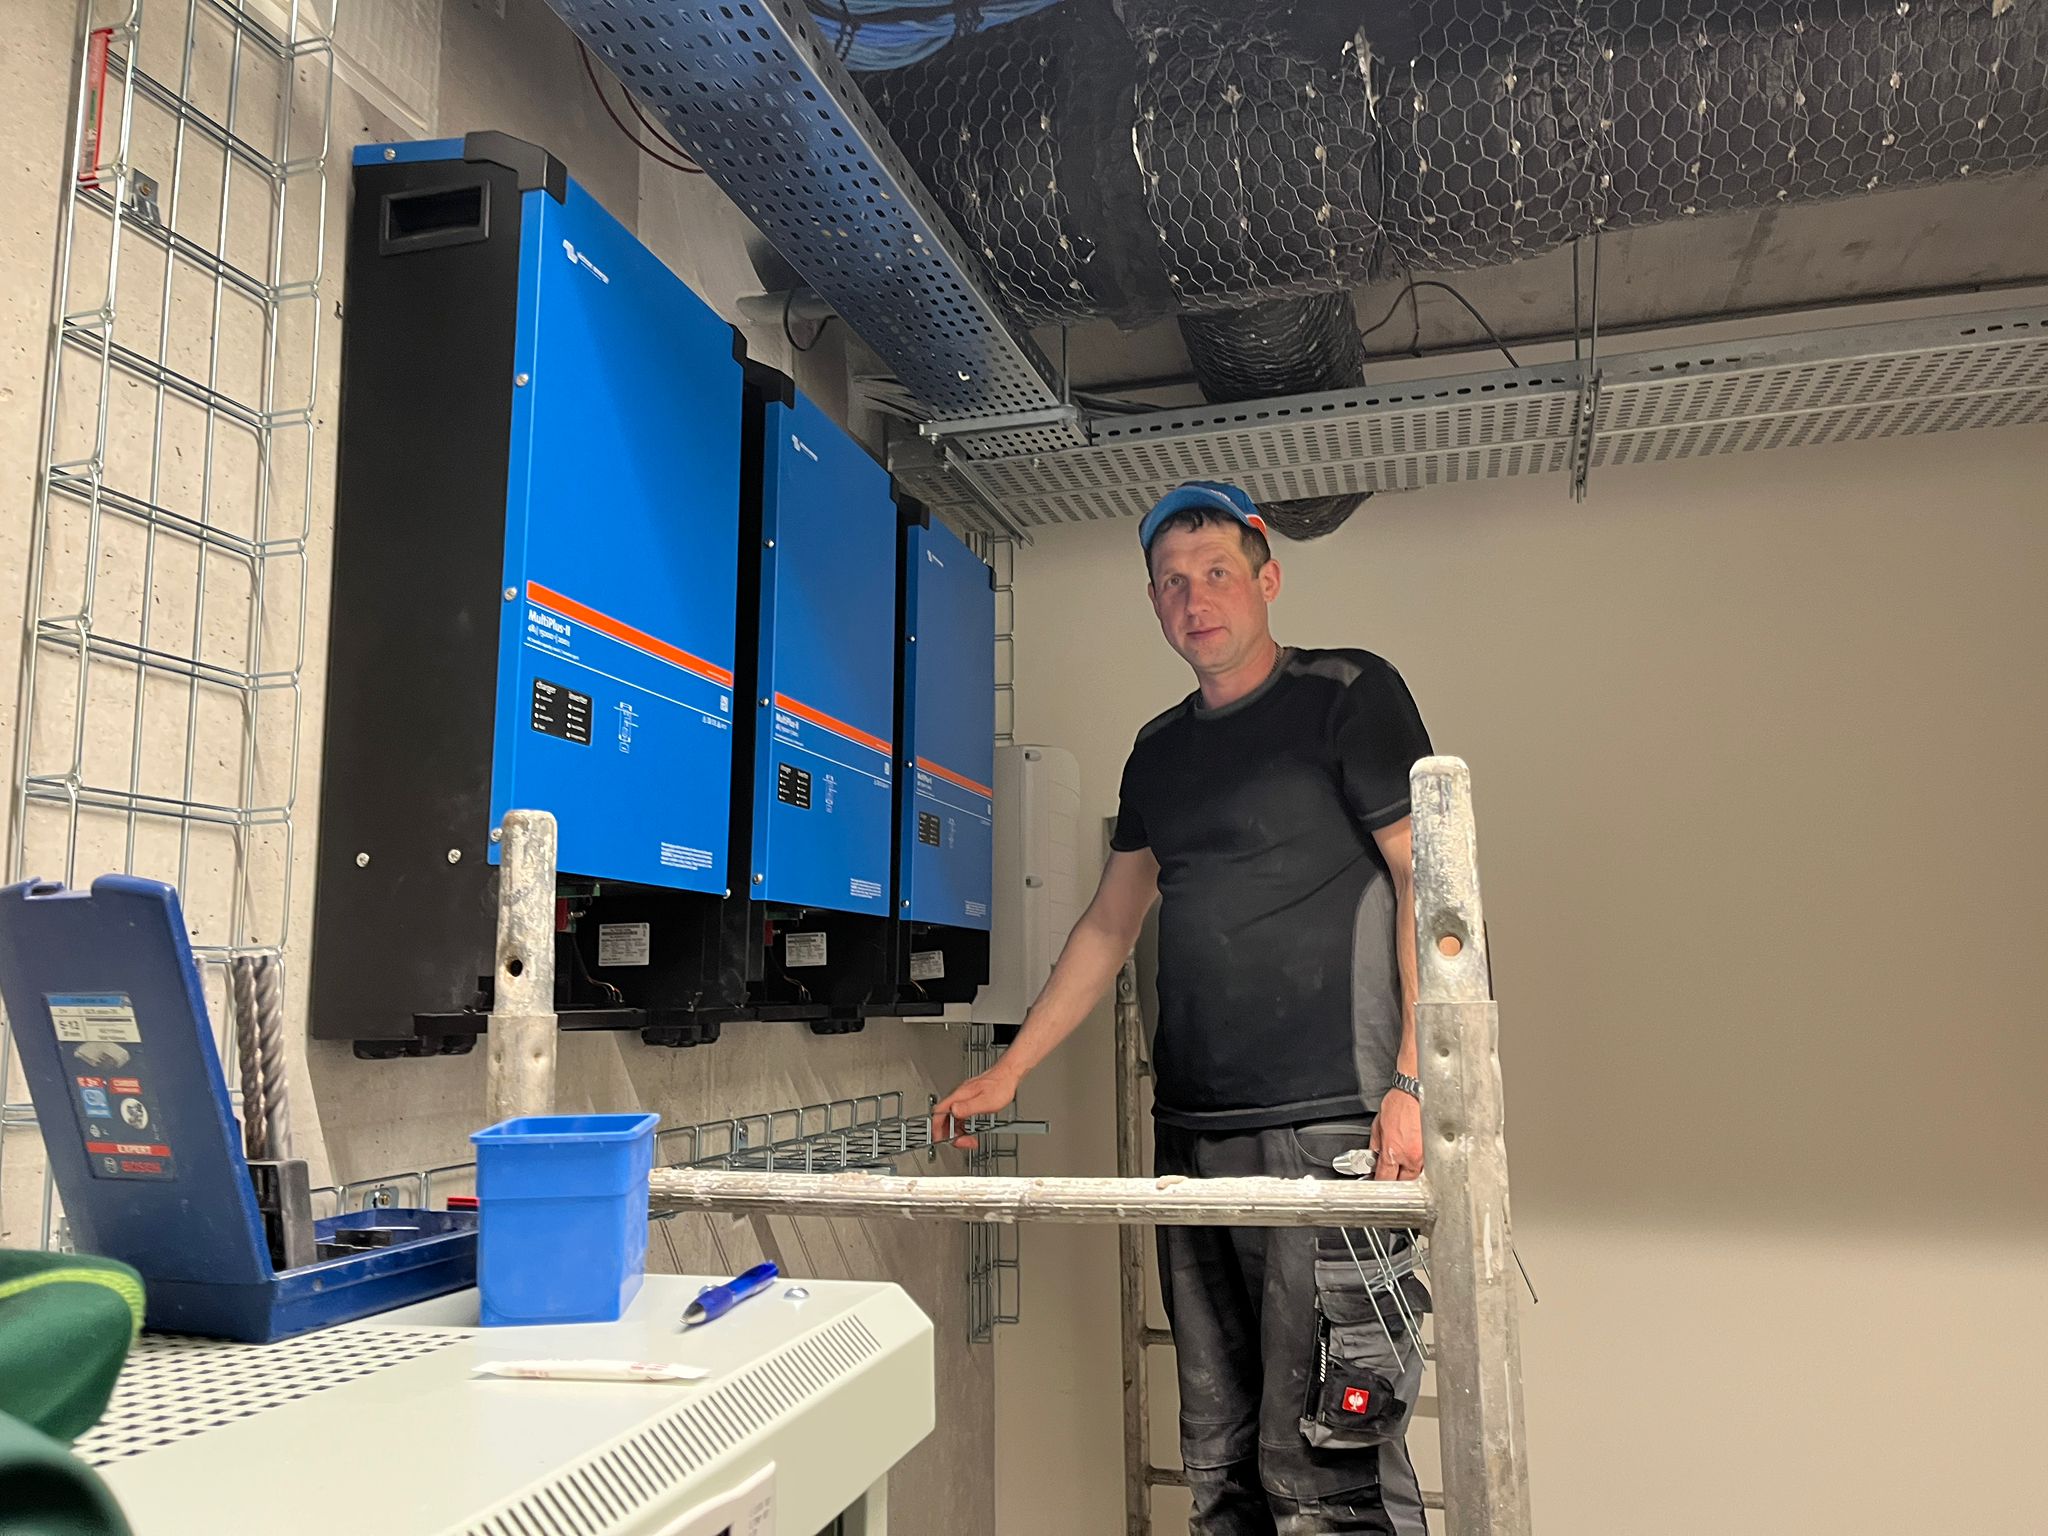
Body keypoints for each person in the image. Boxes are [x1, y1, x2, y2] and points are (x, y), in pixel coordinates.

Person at [934, 480, 1435, 1534]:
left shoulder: (1347, 693)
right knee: (1220, 1461)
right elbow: (1109, 925)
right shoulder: (1159, 750)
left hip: (1332, 1132)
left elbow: (1424, 886)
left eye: (1215, 573)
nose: (1194, 599)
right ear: (1154, 602)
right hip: (1193, 1137)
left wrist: (1412, 1084)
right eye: (1171, 582)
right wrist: (1010, 1068)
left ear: (1267, 579)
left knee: (1327, 1464)